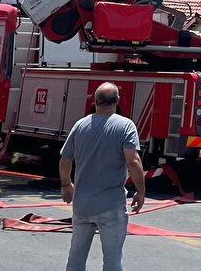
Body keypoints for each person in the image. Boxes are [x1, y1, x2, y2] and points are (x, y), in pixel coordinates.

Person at [60, 82, 146, 271]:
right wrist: (140, 191)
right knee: (112, 260)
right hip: (111, 206)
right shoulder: (125, 126)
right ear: (117, 100)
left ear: (95, 101)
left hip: (82, 205)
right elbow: (133, 161)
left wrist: (66, 184)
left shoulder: (80, 125)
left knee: (75, 258)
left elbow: (65, 159)